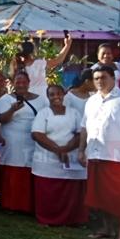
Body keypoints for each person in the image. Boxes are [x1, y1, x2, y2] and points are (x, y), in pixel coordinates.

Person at [78, 66, 120, 239]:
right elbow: (84, 128)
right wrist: (81, 150)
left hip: (118, 157)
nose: (100, 81)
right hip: (95, 154)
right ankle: (107, 228)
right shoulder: (91, 101)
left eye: (103, 77)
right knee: (99, 195)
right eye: (96, 78)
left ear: (113, 78)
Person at [30, 85, 87, 226]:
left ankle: (71, 219)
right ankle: (47, 219)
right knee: (48, 193)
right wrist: (58, 150)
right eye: (51, 94)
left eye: (58, 93)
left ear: (64, 95)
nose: (56, 97)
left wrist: (67, 148)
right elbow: (37, 134)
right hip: (47, 160)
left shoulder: (74, 113)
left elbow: (80, 133)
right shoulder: (43, 113)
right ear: (47, 97)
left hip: (70, 158)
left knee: (71, 192)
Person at [0, 71, 48, 213]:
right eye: (17, 82)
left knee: (30, 170)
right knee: (13, 171)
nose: (21, 85)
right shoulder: (6, 99)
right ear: (13, 83)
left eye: (23, 82)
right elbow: (2, 120)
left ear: (29, 83)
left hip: (33, 140)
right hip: (13, 141)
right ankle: (11, 205)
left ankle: (29, 205)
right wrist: (12, 109)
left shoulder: (41, 100)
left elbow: (46, 118)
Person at [13, 34, 72, 98]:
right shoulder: (39, 63)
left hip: (26, 96)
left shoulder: (17, 67)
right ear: (32, 52)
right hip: (42, 96)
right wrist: (67, 45)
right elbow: (58, 60)